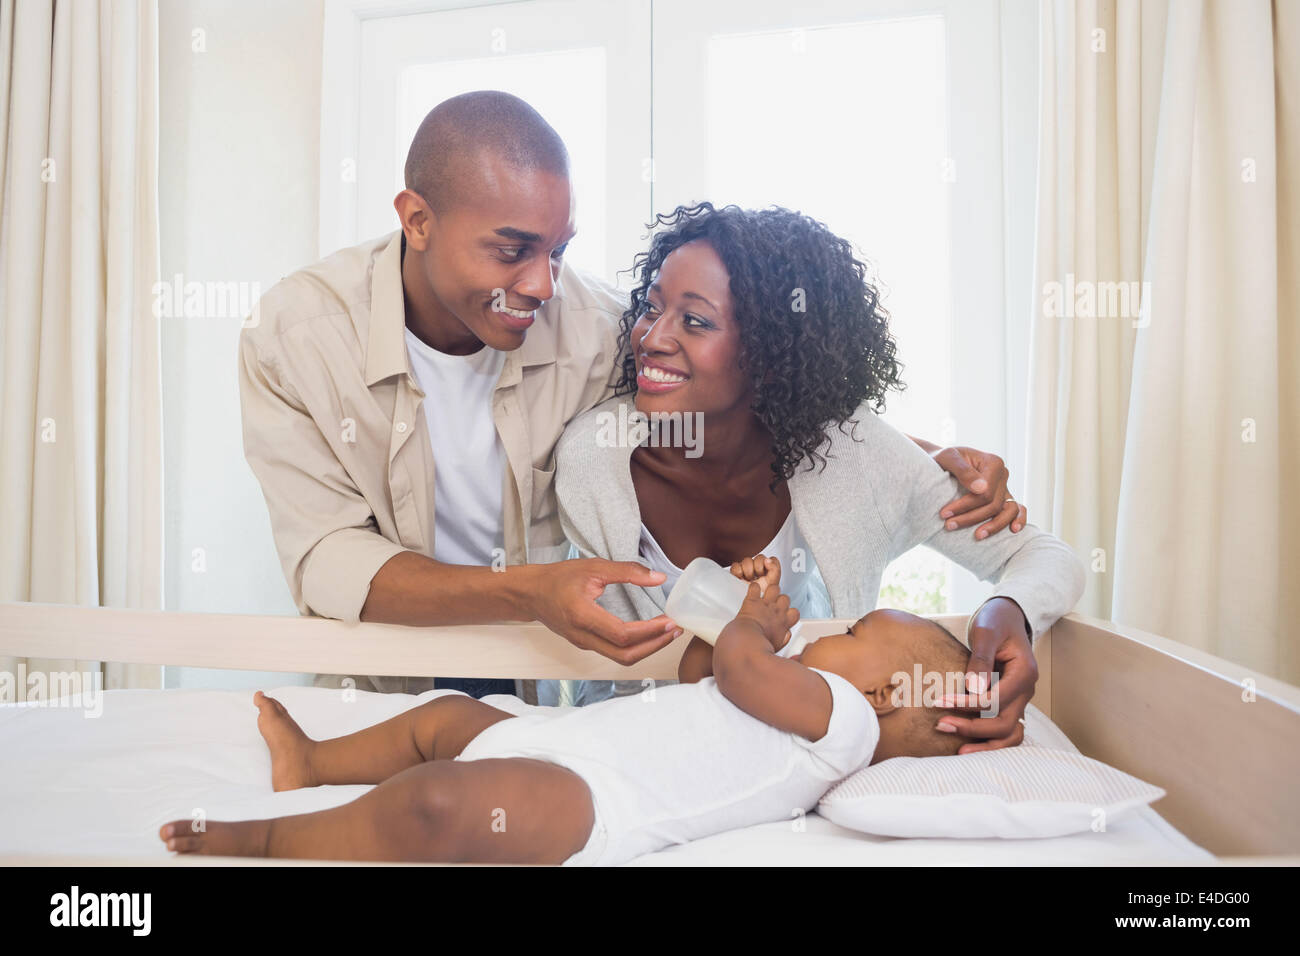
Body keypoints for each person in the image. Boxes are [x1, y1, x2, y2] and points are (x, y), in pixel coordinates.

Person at [238, 91, 1027, 700]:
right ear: (416, 220)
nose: (541, 284)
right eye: (512, 250)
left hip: (536, 684)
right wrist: (528, 592)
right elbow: (327, 557)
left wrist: (921, 462)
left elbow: (738, 396)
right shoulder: (296, 335)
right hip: (375, 671)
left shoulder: (589, 326)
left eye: (558, 250)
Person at [554, 203, 1086, 750]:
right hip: (631, 746)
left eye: (695, 320)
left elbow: (1045, 555)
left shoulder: (854, 455)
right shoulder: (596, 460)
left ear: (769, 351)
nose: (652, 337)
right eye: (651, 307)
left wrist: (1010, 610)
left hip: (798, 755)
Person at [157, 561, 979, 864]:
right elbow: (709, 669)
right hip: (563, 740)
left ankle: (267, 839)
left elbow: (736, 666)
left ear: (882, 694)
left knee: (443, 800)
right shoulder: (806, 693)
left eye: (862, 630)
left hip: (598, 805)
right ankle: (315, 765)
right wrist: (731, 614)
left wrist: (749, 627)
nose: (842, 628)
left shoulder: (844, 721)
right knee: (445, 715)